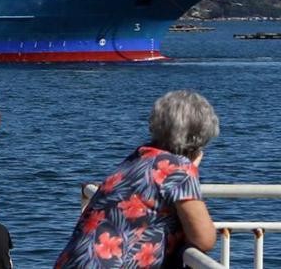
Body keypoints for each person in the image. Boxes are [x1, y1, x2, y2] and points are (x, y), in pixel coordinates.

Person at [55, 90, 218, 268]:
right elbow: (204, 239)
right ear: (198, 139)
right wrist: (191, 168)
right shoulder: (178, 169)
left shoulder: (139, 157)